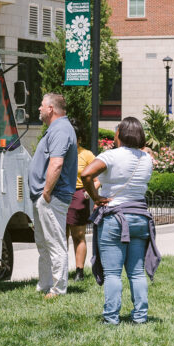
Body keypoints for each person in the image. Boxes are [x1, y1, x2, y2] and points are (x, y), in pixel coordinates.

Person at [79, 117, 160, 325]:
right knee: (136, 272)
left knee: (113, 273)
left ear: (120, 135)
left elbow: (86, 174)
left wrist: (96, 198)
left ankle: (111, 317)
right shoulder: (146, 159)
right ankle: (141, 316)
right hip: (140, 217)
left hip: (115, 217)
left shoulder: (111, 156)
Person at [28, 93, 78, 299]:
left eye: (41, 105)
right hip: (46, 195)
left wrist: (46, 192)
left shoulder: (61, 130)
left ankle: (58, 288)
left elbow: (56, 163)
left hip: (52, 196)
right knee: (44, 243)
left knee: (55, 242)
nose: (38, 109)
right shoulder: (56, 129)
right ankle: (45, 284)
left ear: (50, 109)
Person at [65, 117, 95, 283]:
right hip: (61, 195)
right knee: (61, 236)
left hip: (78, 195)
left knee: (78, 235)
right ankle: (61, 270)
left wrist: (89, 192)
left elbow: (98, 178)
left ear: (80, 138)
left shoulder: (87, 155)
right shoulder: (60, 153)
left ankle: (79, 272)